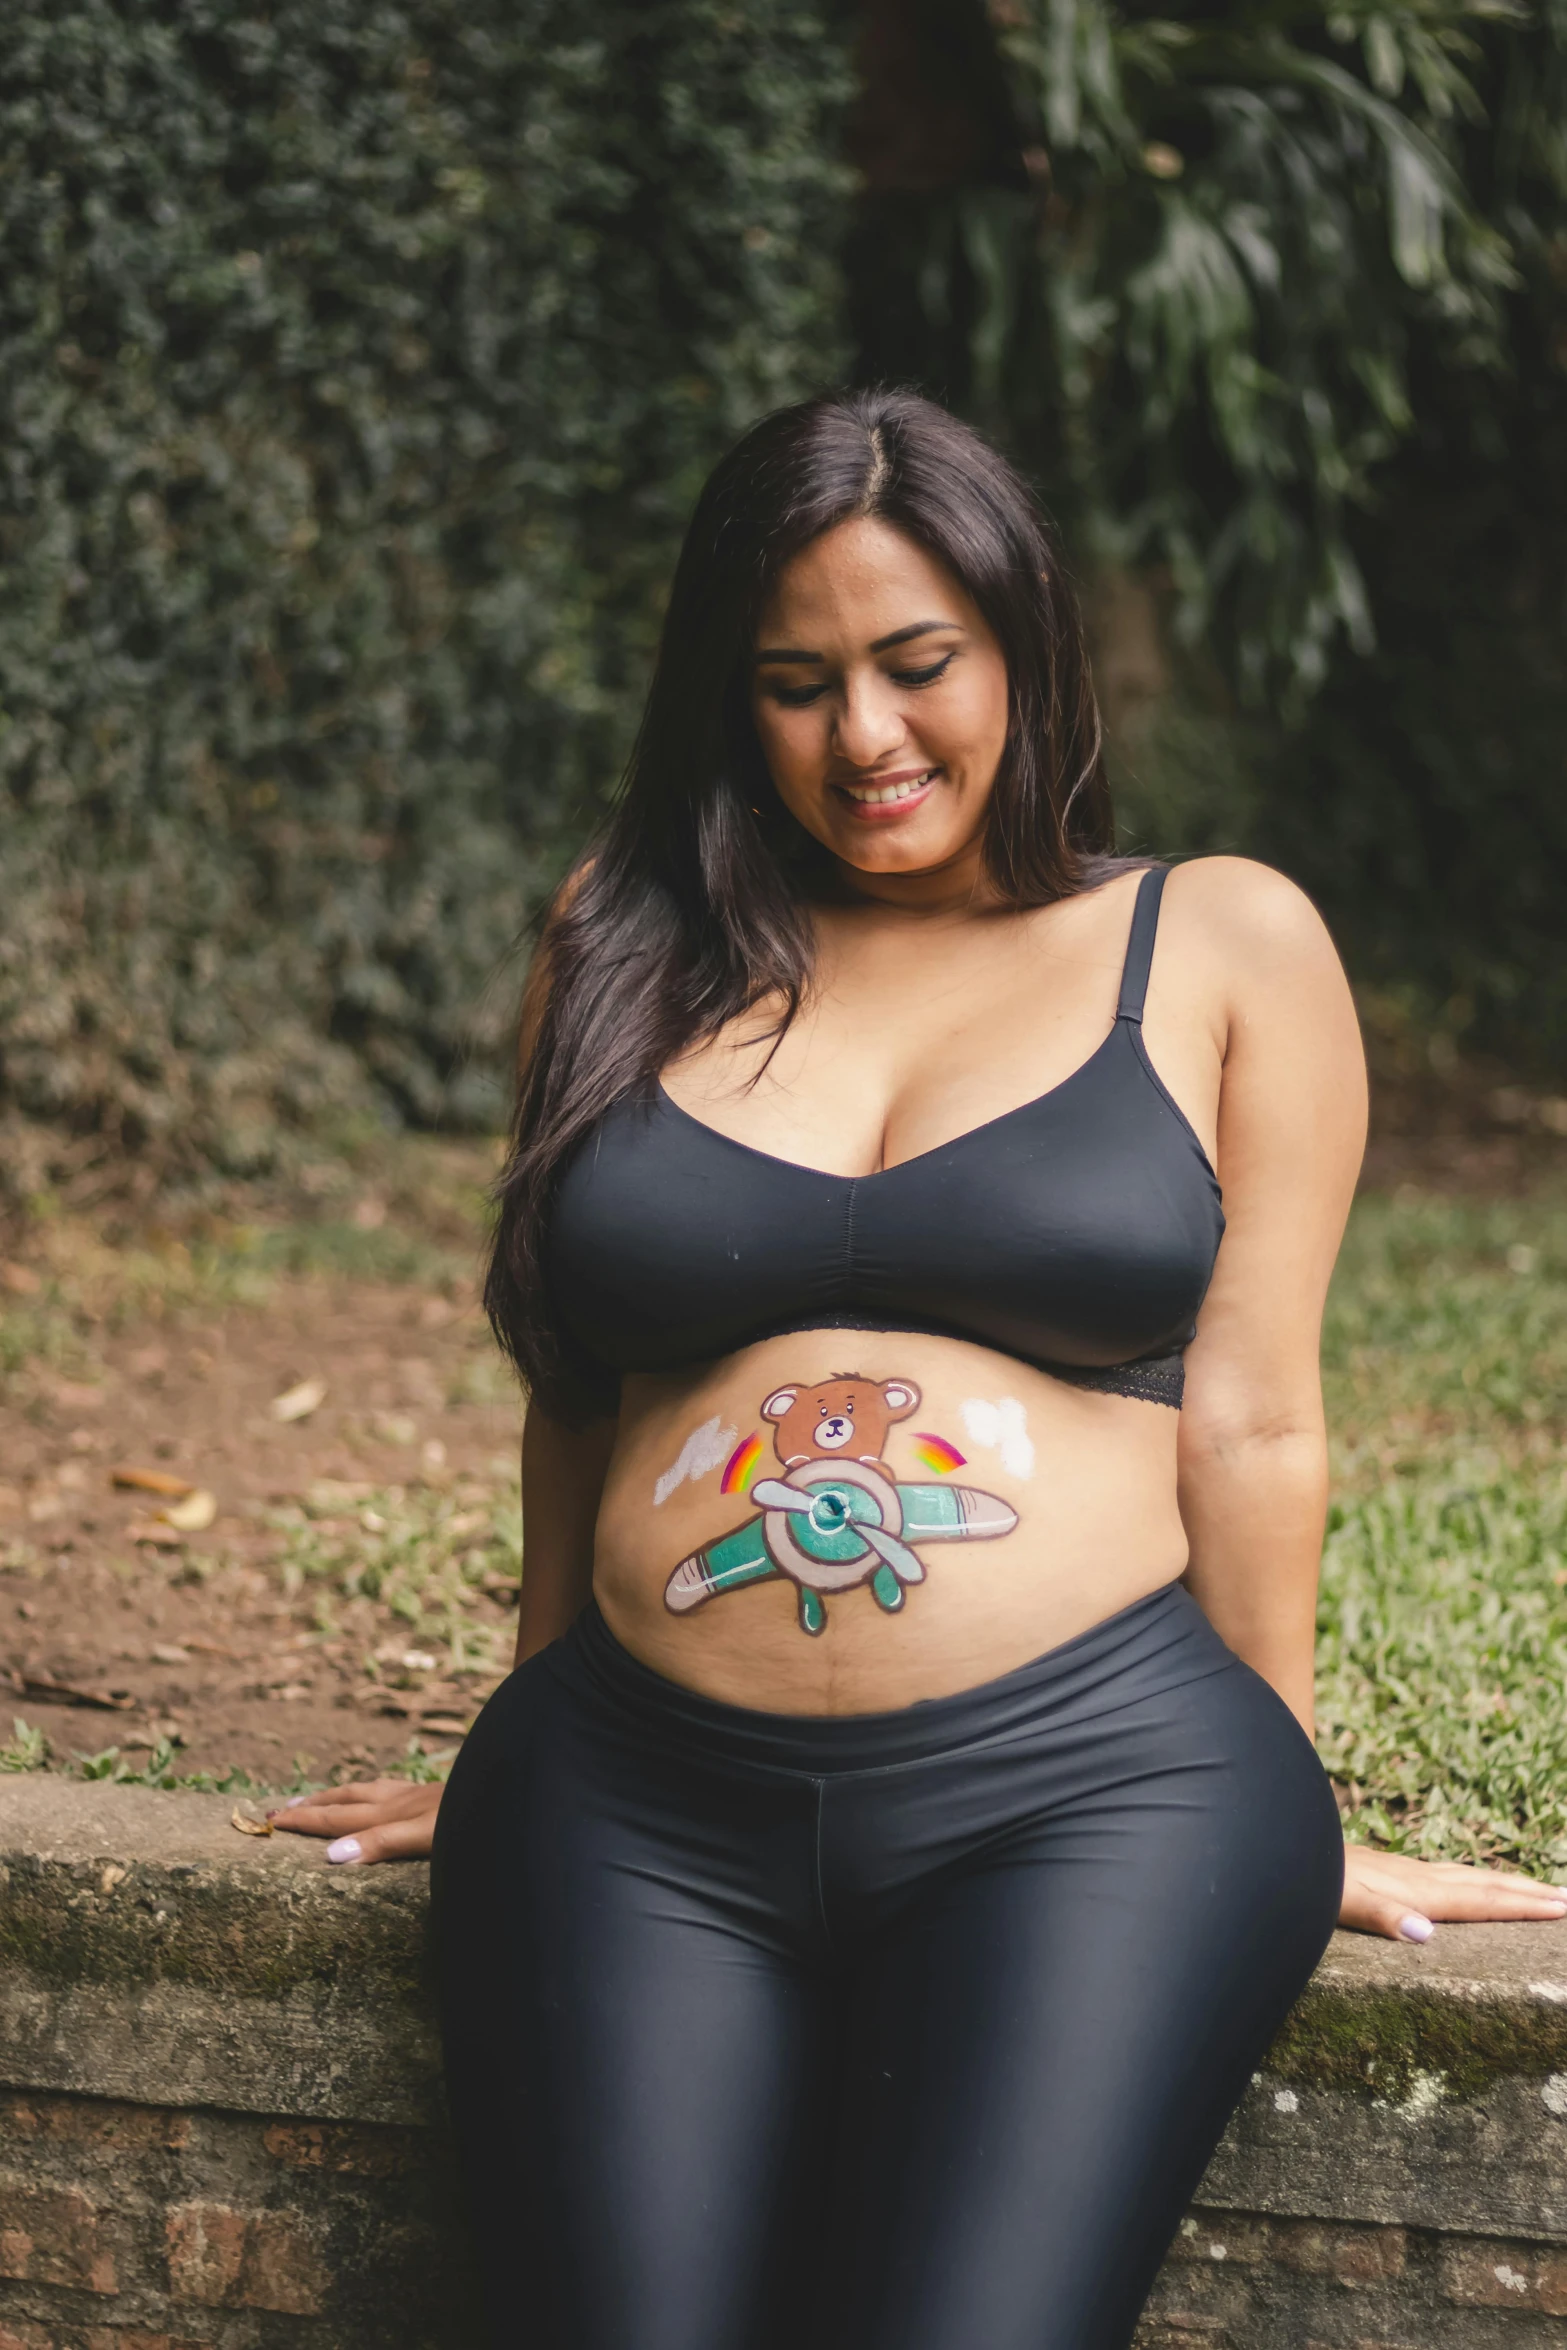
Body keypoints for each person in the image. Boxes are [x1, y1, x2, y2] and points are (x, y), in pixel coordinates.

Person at [273, 388, 1566, 2350]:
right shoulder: (622, 937)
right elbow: (577, 1387)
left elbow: (1256, 1408)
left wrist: (1281, 1802)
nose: (864, 736)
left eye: (914, 663)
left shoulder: (1212, 939)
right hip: (629, 1793)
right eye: (795, 681)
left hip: (1099, 1789)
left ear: (1022, 640)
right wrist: (512, 1731)